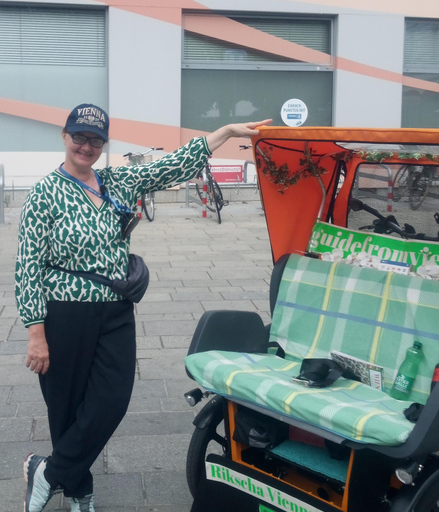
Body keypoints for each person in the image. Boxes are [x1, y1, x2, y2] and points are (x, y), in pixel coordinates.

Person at [15, 102, 270, 512]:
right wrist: (35, 332)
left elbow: (170, 167)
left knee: (111, 401)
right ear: (65, 137)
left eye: (95, 139)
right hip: (65, 313)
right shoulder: (44, 194)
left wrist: (223, 133)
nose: (86, 146)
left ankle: (46, 471)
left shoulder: (117, 181)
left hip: (115, 311)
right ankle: (79, 490)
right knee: (66, 408)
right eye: (78, 136)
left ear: (103, 144)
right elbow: (27, 265)